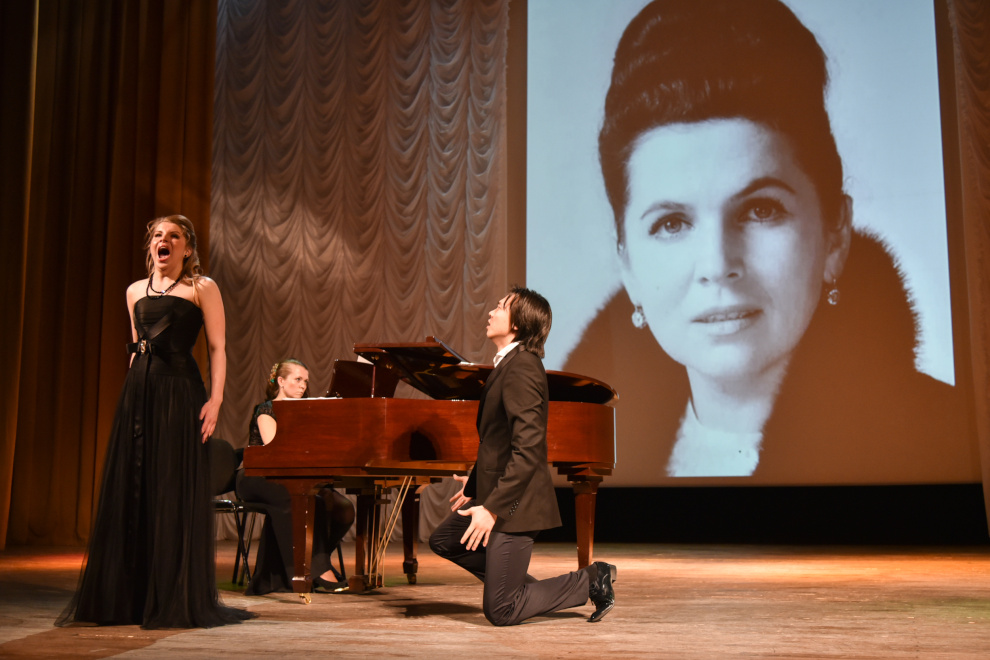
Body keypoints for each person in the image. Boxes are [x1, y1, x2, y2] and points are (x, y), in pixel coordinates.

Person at [565, 0, 968, 482]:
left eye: (761, 210)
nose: (717, 264)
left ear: (835, 236)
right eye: (671, 223)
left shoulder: (953, 442)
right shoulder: (557, 466)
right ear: (627, 264)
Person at [57, 215, 253, 628]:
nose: (164, 241)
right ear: (151, 246)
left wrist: (216, 400)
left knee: (170, 487)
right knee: (135, 486)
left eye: (174, 236)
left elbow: (217, 348)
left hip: (180, 393)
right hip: (140, 393)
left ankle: (172, 595)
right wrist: (132, 397)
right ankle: (130, 596)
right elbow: (136, 348)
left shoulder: (202, 287)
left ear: (188, 248)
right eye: (158, 236)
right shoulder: (134, 291)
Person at [429, 286, 617, 626]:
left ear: (518, 323)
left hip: (517, 504)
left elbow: (528, 448)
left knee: (501, 610)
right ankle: (517, 591)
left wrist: (491, 508)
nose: (491, 312)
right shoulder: (509, 365)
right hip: (498, 491)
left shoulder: (523, 367)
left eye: (500, 307)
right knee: (445, 541)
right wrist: (475, 484)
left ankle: (591, 579)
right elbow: (498, 440)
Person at [236, 358, 355, 595]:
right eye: (298, 379)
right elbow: (275, 450)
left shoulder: (305, 412)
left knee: (341, 507)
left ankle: (308, 563)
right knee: (298, 498)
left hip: (291, 477)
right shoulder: (267, 408)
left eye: (306, 381)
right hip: (257, 476)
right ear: (281, 381)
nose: (303, 385)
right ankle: (319, 570)